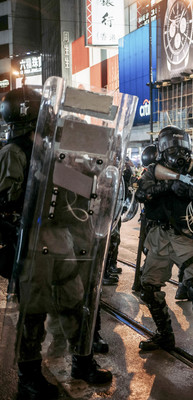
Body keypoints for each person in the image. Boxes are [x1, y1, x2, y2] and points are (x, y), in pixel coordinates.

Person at [1, 86, 112, 400]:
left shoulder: (52, 149)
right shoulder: (15, 152)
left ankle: (83, 362)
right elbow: (6, 202)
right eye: (46, 111)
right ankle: (29, 377)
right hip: (33, 244)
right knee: (33, 314)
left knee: (75, 305)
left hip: (60, 239)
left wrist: (97, 181)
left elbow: (76, 189)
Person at [135, 126, 193, 363]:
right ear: (162, 149)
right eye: (173, 147)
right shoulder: (153, 171)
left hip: (184, 238)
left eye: (182, 147)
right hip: (159, 237)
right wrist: (168, 186)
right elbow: (141, 193)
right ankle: (165, 335)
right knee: (148, 288)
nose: (180, 153)